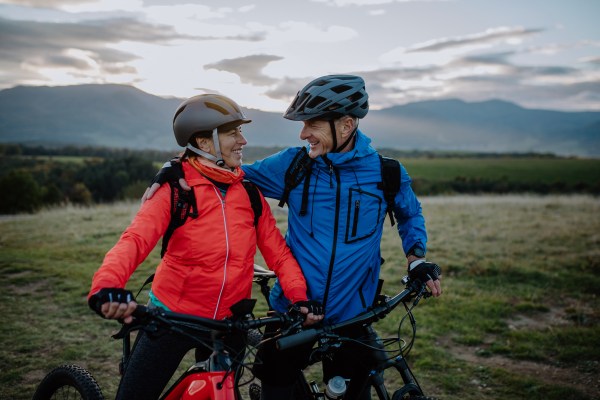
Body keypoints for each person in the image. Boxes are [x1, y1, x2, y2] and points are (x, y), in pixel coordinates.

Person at [143, 76, 442, 399]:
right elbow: (228, 172)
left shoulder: (387, 173)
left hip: (354, 314)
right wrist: (176, 166)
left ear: (346, 124)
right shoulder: (294, 166)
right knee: (276, 391)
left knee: (353, 395)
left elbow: (410, 214)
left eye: (312, 124)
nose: (303, 134)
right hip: (292, 311)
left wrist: (416, 259)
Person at [88, 94, 323, 400]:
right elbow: (134, 240)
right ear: (205, 142)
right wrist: (107, 286)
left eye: (240, 132)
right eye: (232, 133)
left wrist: (298, 298)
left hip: (229, 323)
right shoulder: (176, 191)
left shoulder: (250, 195)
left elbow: (278, 253)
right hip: (171, 317)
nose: (243, 140)